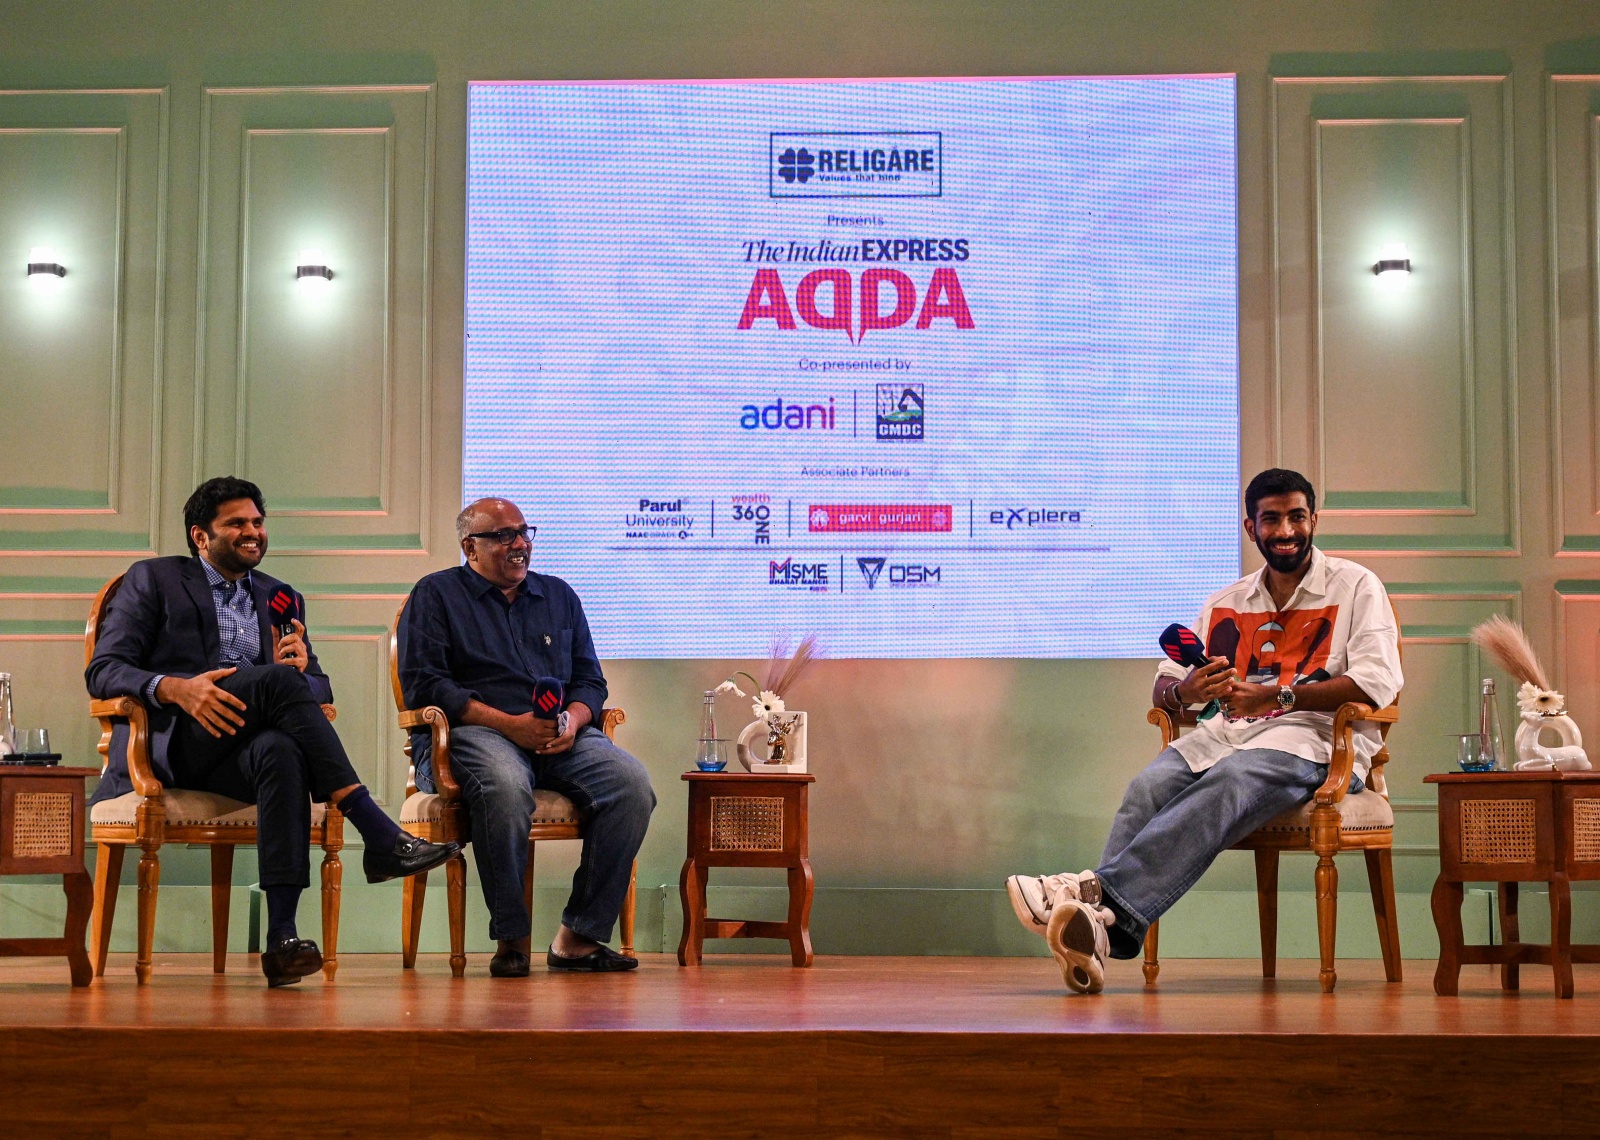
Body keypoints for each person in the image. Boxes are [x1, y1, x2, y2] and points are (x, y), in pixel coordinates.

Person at [1005, 468, 1403, 994]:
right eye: (1272, 519)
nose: (1286, 530)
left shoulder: (1356, 586)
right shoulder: (1227, 602)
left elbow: (1377, 682)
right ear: (1250, 526)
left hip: (1315, 742)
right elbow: (1164, 689)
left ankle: (1096, 899)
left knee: (1236, 777)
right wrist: (1188, 692)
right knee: (1147, 786)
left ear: (1313, 519)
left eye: (1297, 517)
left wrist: (1278, 696)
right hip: (1228, 735)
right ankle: (1101, 933)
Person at [86, 477, 460, 986]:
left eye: (257, 523)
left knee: (282, 750)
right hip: (178, 743)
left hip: (242, 751)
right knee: (281, 691)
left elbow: (317, 691)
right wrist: (177, 688)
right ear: (200, 536)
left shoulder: (281, 597)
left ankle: (281, 939)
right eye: (236, 523)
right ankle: (374, 828)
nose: (252, 533)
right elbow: (104, 670)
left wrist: (305, 670)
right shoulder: (155, 579)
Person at [397, 497, 656, 976]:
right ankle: (512, 938)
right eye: (503, 535)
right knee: (503, 786)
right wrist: (509, 723)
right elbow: (427, 685)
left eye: (523, 532)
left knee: (631, 784)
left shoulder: (558, 596)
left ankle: (577, 938)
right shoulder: (435, 595)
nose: (519, 544)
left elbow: (590, 681)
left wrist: (574, 721)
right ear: (469, 547)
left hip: (560, 737)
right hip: (474, 733)